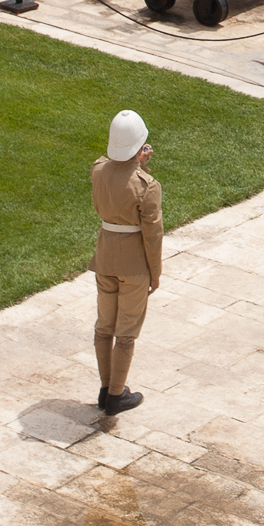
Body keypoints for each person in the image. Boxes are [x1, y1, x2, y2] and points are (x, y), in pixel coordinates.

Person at [89, 109, 162, 417]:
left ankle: (105, 389)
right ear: (139, 146)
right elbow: (152, 234)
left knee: (104, 326)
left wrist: (133, 161)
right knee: (126, 332)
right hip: (133, 265)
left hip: (105, 256)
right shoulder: (147, 185)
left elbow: (113, 170)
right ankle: (117, 395)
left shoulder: (98, 170)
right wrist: (155, 273)